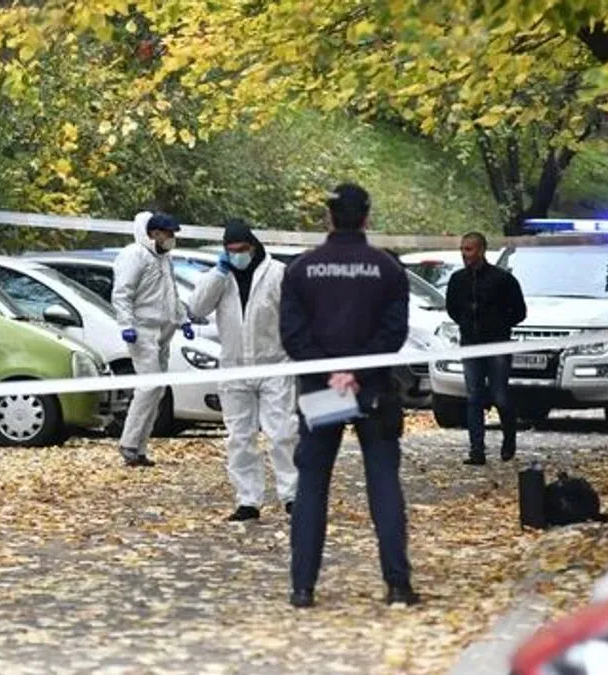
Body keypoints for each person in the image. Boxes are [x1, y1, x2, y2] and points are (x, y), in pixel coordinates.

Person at [279, 183, 418, 609]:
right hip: (373, 391)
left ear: (329, 217)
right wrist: (356, 373)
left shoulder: (301, 269)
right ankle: (398, 585)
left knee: (312, 487)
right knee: (383, 485)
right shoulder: (387, 269)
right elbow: (394, 333)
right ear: (366, 216)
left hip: (322, 393)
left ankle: (303, 587)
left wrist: (333, 373)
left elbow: (293, 336)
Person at [187, 219, 298, 522]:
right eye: (231, 250)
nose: (237, 255)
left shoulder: (277, 274)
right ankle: (247, 500)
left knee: (282, 434)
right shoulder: (220, 277)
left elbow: (295, 315)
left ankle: (293, 496)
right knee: (240, 438)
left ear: (253, 246)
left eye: (242, 249)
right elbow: (196, 308)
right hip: (234, 368)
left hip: (274, 364)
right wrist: (218, 274)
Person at [112, 211, 195, 467]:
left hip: (163, 330)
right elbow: (122, 293)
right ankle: (128, 443)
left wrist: (183, 319)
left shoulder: (164, 259)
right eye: (167, 233)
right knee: (148, 387)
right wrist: (126, 324)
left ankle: (139, 447)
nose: (171, 238)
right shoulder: (134, 255)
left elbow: (172, 293)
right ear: (154, 233)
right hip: (142, 330)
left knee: (157, 391)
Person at [444, 231, 527, 466]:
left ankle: (508, 438)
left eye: (469, 249)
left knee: (500, 395)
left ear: (481, 250)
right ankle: (476, 449)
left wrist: (498, 325)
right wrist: (466, 323)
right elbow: (452, 308)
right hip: (471, 344)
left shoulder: (502, 279)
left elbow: (519, 311)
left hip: (497, 343)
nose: (465, 254)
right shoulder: (458, 279)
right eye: (462, 249)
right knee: (474, 397)